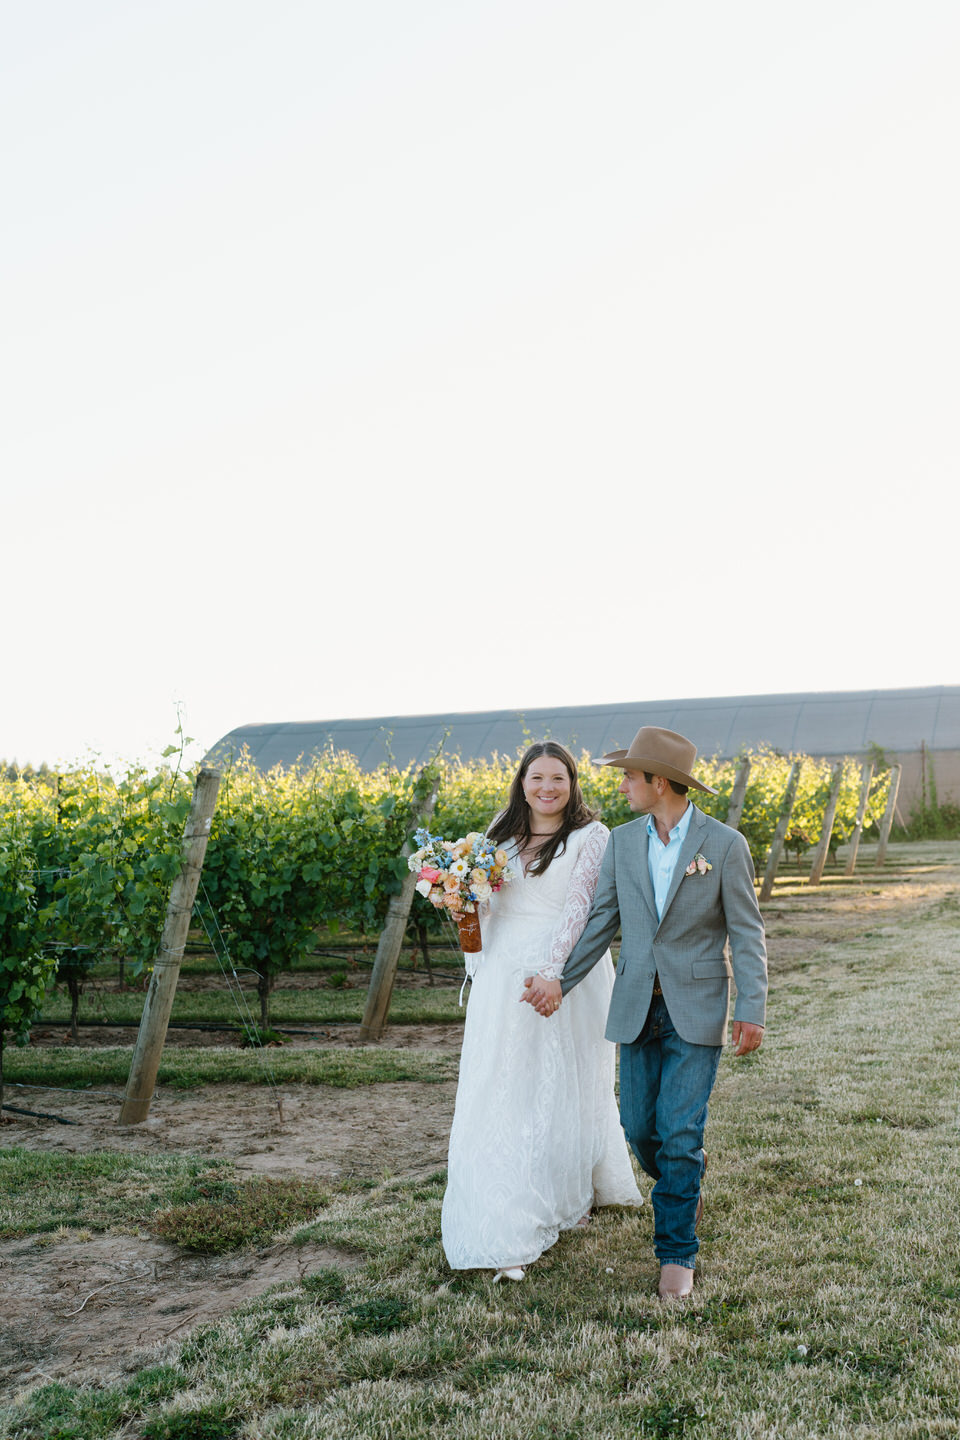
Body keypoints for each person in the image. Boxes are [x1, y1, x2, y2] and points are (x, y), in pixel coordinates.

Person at [523, 726, 767, 1300]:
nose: (624, 784)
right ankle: (685, 1179)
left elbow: (747, 932)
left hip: (698, 1006)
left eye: (631, 775)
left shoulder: (725, 845)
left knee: (679, 1132)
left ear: (660, 782)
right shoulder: (623, 843)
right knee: (640, 1128)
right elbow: (602, 919)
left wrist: (751, 1008)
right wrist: (559, 977)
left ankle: (677, 1253)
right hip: (634, 1005)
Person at [440, 741, 643, 1282]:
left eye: (559, 778)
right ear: (522, 782)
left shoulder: (591, 837)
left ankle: (565, 1192)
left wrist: (553, 974)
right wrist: (458, 901)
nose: (547, 788)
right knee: (501, 1085)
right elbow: (484, 903)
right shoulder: (498, 833)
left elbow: (582, 911)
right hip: (501, 973)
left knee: (564, 1082)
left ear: (573, 783)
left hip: (563, 969)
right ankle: (504, 1202)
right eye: (537, 778)